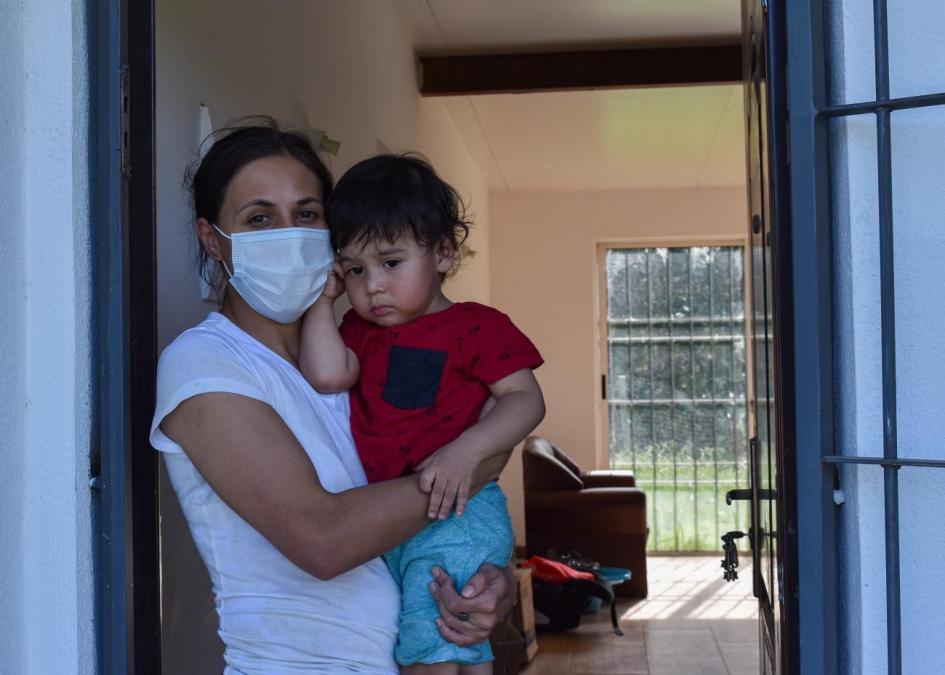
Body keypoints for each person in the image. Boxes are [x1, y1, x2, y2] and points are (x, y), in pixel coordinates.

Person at [150, 121, 515, 675]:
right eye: (259, 218)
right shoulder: (204, 364)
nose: (288, 232)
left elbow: (426, 481)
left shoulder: (360, 353)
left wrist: (484, 579)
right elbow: (324, 540)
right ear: (211, 238)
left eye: (306, 214)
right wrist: (475, 463)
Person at [299, 154, 545, 674]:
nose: (373, 286)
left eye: (391, 263)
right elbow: (324, 375)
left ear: (443, 254)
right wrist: (322, 301)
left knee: (430, 646)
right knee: (456, 644)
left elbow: (526, 399)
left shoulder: (476, 326)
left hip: (460, 512)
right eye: (354, 269)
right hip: (393, 520)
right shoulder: (357, 333)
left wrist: (467, 451)